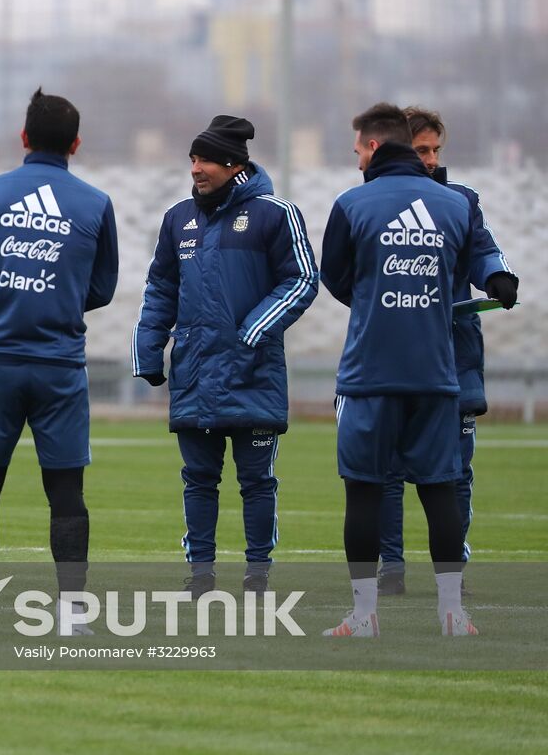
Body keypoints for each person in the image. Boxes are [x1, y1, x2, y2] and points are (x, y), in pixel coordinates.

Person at [132, 115, 318, 594]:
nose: (196, 168)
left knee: (257, 482)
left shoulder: (276, 214)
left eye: (207, 159)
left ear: (235, 165)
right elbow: (161, 288)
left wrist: (252, 330)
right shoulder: (178, 219)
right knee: (198, 479)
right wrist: (149, 349)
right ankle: (201, 575)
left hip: (253, 372)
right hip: (194, 371)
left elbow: (301, 280)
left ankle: (258, 572)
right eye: (193, 158)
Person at [320, 102, 476, 637]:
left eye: (357, 148)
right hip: (435, 372)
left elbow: (336, 278)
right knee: (440, 490)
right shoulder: (454, 206)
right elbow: (457, 273)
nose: (356, 158)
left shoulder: (352, 203)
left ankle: (364, 618)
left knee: (363, 492)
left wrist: (377, 298)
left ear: (372, 147)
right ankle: (453, 614)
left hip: (369, 374)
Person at [0, 89, 117, 611]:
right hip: (60, 367)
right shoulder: (95, 203)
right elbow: (103, 289)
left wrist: (15, 294)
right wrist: (59, 296)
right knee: (66, 491)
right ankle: (73, 614)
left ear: (23, 138)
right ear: (76, 143)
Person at [376, 106, 517, 596]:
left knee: (457, 471)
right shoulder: (375, 203)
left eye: (436, 150)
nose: (431, 159)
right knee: (389, 468)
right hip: (393, 354)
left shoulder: (461, 202)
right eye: (421, 150)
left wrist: (496, 274)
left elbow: (481, 247)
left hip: (453, 360)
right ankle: (390, 568)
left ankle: (451, 571)